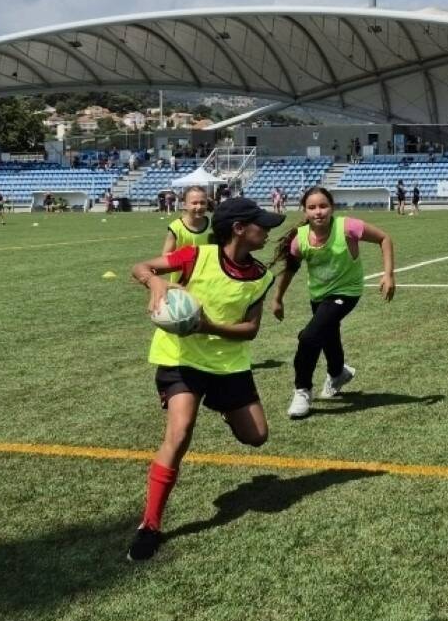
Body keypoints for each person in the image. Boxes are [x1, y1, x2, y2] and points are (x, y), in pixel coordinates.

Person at [126, 196, 286, 561]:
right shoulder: (196, 256)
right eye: (261, 224)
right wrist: (155, 285)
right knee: (180, 432)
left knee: (256, 436)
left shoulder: (261, 277)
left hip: (228, 364)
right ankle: (149, 525)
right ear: (239, 229)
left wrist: (208, 326)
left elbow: (250, 330)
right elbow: (141, 267)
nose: (267, 231)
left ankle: (222, 405)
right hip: (180, 359)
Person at [272, 186, 396, 421]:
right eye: (312, 207)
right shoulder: (299, 240)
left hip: (346, 292)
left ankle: (302, 391)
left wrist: (388, 274)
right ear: (305, 211)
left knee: (308, 337)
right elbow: (290, 269)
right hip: (318, 295)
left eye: (323, 206)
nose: (318, 212)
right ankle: (338, 373)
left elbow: (384, 238)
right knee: (329, 336)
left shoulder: (347, 227)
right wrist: (278, 298)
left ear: (332, 208)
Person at [164, 185, 213, 255]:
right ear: (184, 205)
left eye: (202, 203)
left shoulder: (213, 225)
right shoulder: (176, 228)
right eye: (194, 203)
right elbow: (166, 255)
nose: (199, 207)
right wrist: (185, 257)